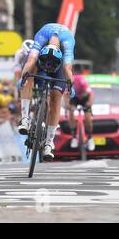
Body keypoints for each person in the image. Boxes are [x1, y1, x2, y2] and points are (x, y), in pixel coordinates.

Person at [18, 23, 76, 162]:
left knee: (56, 99)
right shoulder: (42, 36)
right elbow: (32, 59)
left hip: (59, 67)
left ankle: (49, 143)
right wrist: (23, 78)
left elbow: (67, 68)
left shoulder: (68, 42)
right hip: (40, 61)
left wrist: (70, 86)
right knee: (28, 76)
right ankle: (25, 119)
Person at [67, 65, 95, 151]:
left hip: (84, 98)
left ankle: (89, 137)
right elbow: (65, 94)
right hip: (74, 98)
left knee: (87, 117)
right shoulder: (70, 79)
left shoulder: (80, 79)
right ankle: (75, 136)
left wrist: (89, 103)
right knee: (71, 112)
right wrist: (68, 105)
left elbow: (90, 93)